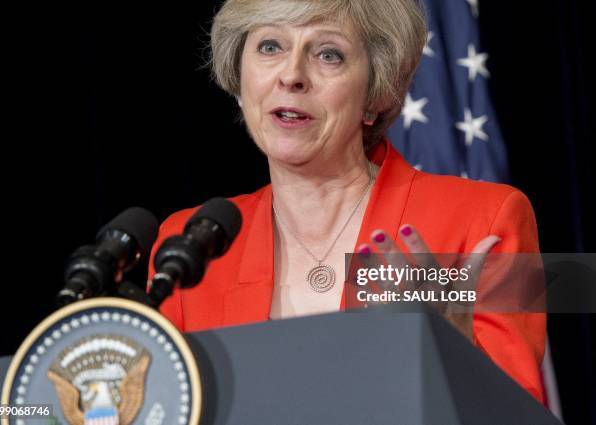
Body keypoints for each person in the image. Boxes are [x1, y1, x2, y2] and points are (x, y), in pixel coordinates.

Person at [148, 0, 545, 403]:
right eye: (270, 47)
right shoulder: (191, 244)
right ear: (239, 74)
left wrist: (461, 361)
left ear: (377, 94)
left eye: (328, 54)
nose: (291, 75)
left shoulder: (491, 218)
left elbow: (524, 410)